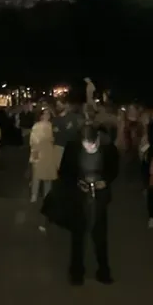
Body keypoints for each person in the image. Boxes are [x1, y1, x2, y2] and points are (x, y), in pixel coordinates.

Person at [55, 124, 120, 285]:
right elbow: (64, 172)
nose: (90, 148)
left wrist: (105, 181)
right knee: (78, 235)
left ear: (97, 139)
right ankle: (77, 272)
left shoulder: (108, 148)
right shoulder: (72, 147)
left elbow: (113, 169)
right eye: (86, 146)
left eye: (93, 145)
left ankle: (103, 271)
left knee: (100, 234)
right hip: (79, 197)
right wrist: (78, 182)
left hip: (99, 196)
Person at [29, 107, 60, 205]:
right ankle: (34, 194)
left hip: (49, 152)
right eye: (45, 114)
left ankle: (47, 195)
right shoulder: (36, 126)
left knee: (48, 175)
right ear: (41, 115)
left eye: (48, 114)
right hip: (39, 151)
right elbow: (33, 141)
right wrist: (34, 153)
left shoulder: (52, 126)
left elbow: (55, 139)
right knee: (37, 175)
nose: (46, 115)